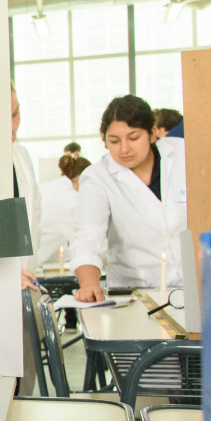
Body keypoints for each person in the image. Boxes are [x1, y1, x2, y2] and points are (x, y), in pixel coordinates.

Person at [72, 95, 187, 302]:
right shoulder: (98, 177)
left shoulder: (183, 154)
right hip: (136, 295)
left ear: (152, 133)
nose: (124, 149)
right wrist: (89, 285)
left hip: (193, 289)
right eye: (114, 141)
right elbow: (87, 240)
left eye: (133, 138)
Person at [38, 154, 92, 268]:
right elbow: (83, 239)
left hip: (31, 248)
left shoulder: (49, 186)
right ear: (82, 177)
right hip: (36, 253)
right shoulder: (72, 200)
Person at [11, 82, 42, 276]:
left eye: (15, 114)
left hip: (23, 278)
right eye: (3, 118)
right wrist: (6, 276)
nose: (13, 127)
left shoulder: (21, 155)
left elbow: (34, 221)